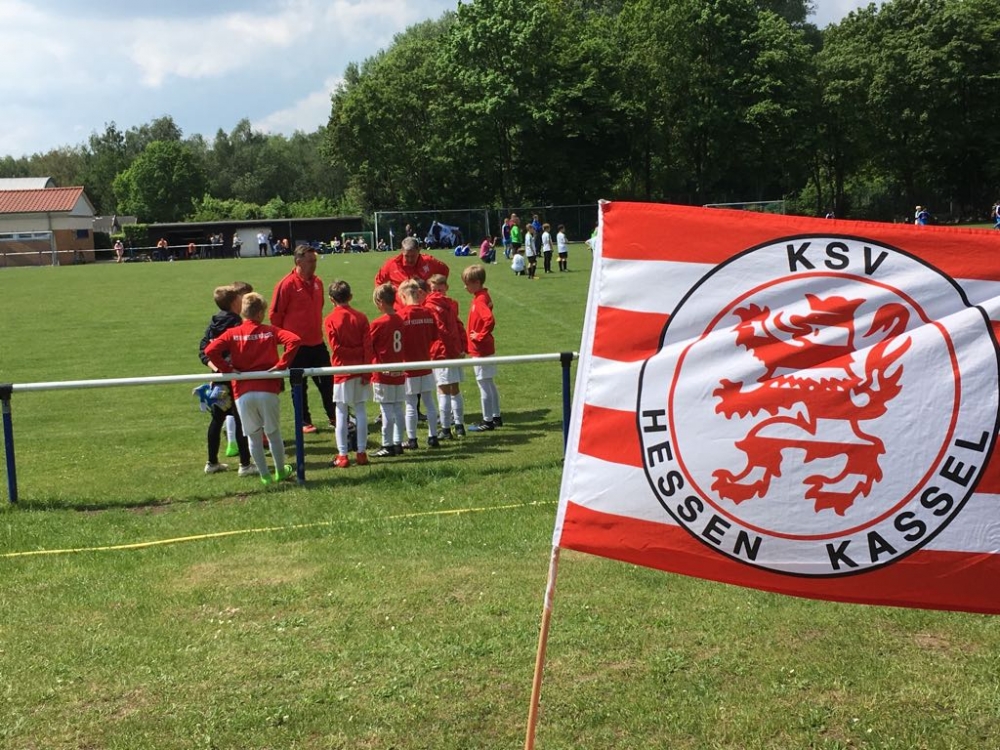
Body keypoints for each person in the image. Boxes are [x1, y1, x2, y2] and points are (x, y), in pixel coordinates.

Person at [204, 292, 300, 485]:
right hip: (267, 388)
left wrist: (227, 369)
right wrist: (282, 364)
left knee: (253, 436)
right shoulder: (270, 331)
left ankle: (264, 475)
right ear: (260, 313)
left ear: (243, 312)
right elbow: (294, 340)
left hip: (243, 391)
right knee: (273, 433)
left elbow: (209, 350)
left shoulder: (232, 333)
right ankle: (280, 471)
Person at [269, 245, 337, 433]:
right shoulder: (286, 284)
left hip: (317, 342)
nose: (314, 264)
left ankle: (334, 416)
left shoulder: (318, 282)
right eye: (310, 261)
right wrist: (286, 338)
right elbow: (275, 315)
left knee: (328, 382)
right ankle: (304, 421)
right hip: (296, 346)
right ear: (298, 261)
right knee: (299, 386)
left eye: (315, 261)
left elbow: (319, 306)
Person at [198, 282, 255, 476]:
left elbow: (203, 350)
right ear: (234, 302)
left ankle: (212, 462)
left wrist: (216, 369)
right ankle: (245, 465)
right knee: (240, 420)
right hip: (234, 380)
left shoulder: (213, 324)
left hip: (219, 380)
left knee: (217, 419)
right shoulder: (237, 323)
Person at [323, 280, 373, 468]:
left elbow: (335, 348)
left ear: (331, 299)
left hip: (341, 369)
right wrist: (366, 367)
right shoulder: (361, 317)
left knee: (341, 410)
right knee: (360, 408)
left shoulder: (330, 319)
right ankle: (361, 452)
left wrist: (351, 354)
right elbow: (368, 346)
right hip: (360, 368)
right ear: (350, 296)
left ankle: (343, 455)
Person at [397, 279, 442, 449]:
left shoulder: (402, 315)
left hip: (408, 365)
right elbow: (434, 336)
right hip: (425, 363)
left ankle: (412, 439)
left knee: (410, 404)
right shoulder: (428, 313)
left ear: (403, 295)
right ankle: (433, 436)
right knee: (429, 401)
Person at [425, 274, 467, 439]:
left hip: (441, 352)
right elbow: (458, 325)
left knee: (443, 390)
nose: (436, 293)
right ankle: (459, 425)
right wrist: (461, 347)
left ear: (446, 288)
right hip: (453, 351)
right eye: (434, 290)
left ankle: (446, 428)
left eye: (439, 290)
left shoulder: (429, 306)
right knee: (454, 389)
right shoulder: (452, 303)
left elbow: (443, 331)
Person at [462, 264, 502, 431]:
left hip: (480, 349)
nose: (465, 287)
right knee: (489, 383)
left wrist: (479, 335)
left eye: (467, 284)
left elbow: (489, 319)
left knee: (483, 384)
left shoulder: (479, 300)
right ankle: (496, 416)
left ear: (477, 283)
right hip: (486, 347)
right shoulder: (483, 296)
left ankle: (487, 420)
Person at [369, 283, 407, 457]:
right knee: (398, 408)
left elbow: (369, 345)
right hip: (399, 369)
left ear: (381, 302)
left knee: (386, 410)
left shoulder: (378, 323)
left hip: (383, 371)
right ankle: (398, 442)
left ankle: (387, 444)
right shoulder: (400, 320)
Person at [374, 235, 450, 292]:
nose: (410, 260)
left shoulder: (428, 261)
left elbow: (444, 270)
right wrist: (384, 300)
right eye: (406, 256)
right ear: (402, 251)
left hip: (424, 306)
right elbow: (379, 281)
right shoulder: (392, 264)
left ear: (419, 250)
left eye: (413, 256)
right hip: (400, 306)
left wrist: (438, 287)